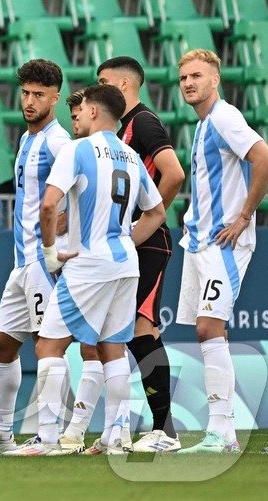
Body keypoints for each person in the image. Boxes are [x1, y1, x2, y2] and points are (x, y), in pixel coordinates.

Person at [33, 84, 167, 456]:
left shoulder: (77, 150)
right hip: (125, 262)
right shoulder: (130, 155)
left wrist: (49, 255)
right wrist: (125, 238)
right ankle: (116, 436)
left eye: (83, 109)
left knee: (49, 346)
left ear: (93, 111)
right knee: (112, 348)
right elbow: (157, 212)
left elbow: (48, 206)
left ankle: (48, 440)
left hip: (87, 264)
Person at [175, 49, 268, 455]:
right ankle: (222, 431)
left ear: (214, 80)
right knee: (208, 331)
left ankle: (222, 432)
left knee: (207, 328)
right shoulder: (203, 125)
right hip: (200, 241)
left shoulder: (223, 117)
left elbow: (266, 160)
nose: (188, 83)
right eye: (183, 77)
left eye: (196, 75)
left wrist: (243, 217)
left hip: (224, 242)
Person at [94, 55, 186, 452]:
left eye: (102, 82)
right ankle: (136, 427)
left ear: (124, 86)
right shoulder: (124, 129)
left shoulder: (144, 122)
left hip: (148, 243)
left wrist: (148, 221)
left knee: (141, 330)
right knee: (127, 332)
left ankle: (164, 430)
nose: (97, 90)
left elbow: (175, 173)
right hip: (134, 242)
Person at [0, 60, 70, 455]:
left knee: (46, 345)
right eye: (26, 93)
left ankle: (50, 436)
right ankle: (2, 434)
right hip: (21, 261)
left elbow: (83, 194)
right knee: (2, 345)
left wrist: (59, 241)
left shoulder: (59, 142)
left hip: (43, 260)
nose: (30, 101)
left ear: (55, 97)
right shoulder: (26, 139)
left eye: (39, 94)